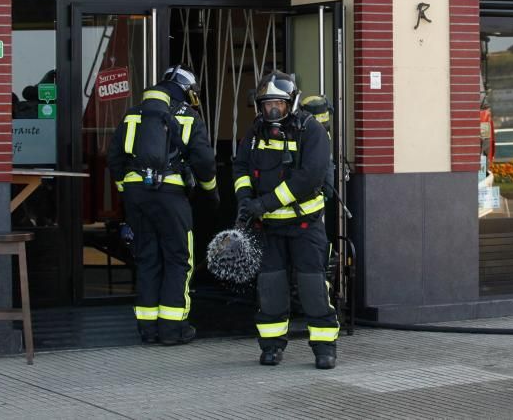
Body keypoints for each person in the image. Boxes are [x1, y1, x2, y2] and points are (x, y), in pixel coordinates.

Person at [233, 71, 340, 369]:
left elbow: (307, 179)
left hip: (305, 226)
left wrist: (262, 203)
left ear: (291, 102)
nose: (273, 110)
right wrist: (244, 200)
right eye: (267, 104)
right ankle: (271, 347)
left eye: (279, 103)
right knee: (271, 290)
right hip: (267, 228)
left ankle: (324, 348)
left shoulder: (311, 131)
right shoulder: (255, 133)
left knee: (313, 288)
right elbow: (240, 168)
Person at [107, 65, 218, 346]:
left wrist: (127, 190)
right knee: (178, 259)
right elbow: (204, 162)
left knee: (147, 258)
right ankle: (172, 329)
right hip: (170, 197)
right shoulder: (189, 116)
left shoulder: (133, 114)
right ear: (185, 89)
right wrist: (210, 193)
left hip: (136, 196)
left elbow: (115, 157)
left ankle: (147, 328)